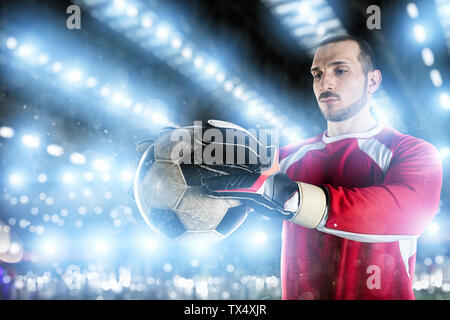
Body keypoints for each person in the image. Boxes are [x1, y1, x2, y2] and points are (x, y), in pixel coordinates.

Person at [201, 35, 443, 300]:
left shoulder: (412, 151)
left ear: (372, 81)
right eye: (317, 74)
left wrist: (294, 198)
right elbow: (225, 201)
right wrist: (191, 163)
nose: (325, 83)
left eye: (340, 71)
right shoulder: (285, 158)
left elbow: (407, 212)